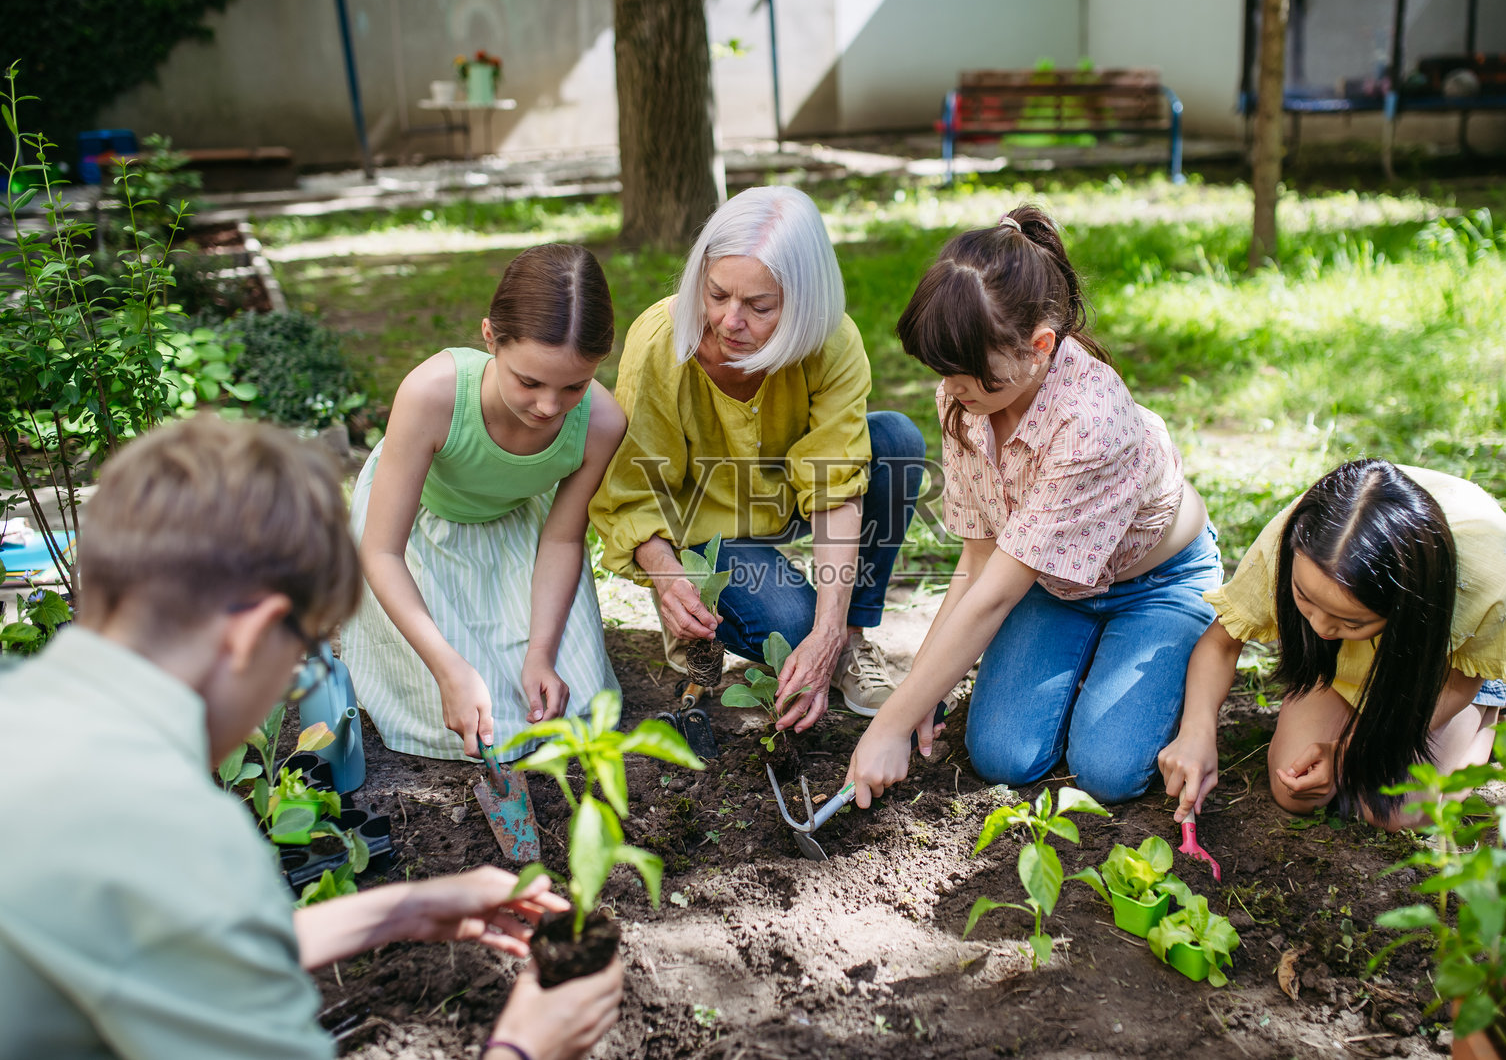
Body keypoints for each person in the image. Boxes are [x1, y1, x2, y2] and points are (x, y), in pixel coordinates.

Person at [0, 415, 621, 1060]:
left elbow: (166, 945)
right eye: (299, 662)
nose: (291, 694)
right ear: (253, 633)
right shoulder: (180, 838)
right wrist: (525, 1047)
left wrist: (401, 911)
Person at [846, 206, 1222, 808]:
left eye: (967, 374)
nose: (951, 387)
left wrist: (889, 723)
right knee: (1002, 757)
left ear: (1039, 347)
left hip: (1155, 583)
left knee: (1109, 770)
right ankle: (1090, 664)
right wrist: (922, 695)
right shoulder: (966, 399)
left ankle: (1142, 649)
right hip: (1050, 583)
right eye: (944, 372)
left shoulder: (1090, 425)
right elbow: (976, 563)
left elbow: (995, 595)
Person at [588, 185, 925, 727]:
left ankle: (852, 642)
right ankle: (769, 619)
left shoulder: (831, 341)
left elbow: (835, 484)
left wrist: (832, 629)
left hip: (787, 498)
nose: (728, 321)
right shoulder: (660, 343)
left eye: (759, 306)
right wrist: (669, 575)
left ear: (803, 303)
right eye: (716, 294)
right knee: (793, 630)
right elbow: (630, 491)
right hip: (707, 528)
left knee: (894, 441)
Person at [1157, 458, 1506, 830]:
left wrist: (1349, 752)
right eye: (1304, 599)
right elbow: (1222, 643)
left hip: (1443, 669)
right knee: (1294, 792)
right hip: (1347, 663)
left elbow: (1459, 681)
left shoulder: (1484, 587)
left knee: (1397, 811)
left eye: (1349, 620)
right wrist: (1196, 731)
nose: (1320, 629)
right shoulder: (1296, 539)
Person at [343, 243, 626, 760]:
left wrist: (540, 653)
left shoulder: (602, 424)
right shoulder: (432, 394)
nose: (548, 406)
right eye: (529, 381)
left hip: (517, 527)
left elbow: (562, 539)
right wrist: (447, 666)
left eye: (573, 387)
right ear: (490, 337)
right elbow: (381, 551)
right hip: (415, 535)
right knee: (457, 714)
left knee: (568, 705)